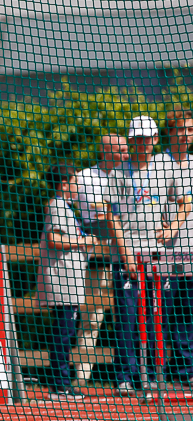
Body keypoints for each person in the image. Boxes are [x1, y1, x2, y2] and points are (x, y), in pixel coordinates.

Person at [107, 116, 190, 396]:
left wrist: (172, 229)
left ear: (155, 139)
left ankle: (154, 375)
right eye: (138, 138)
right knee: (128, 317)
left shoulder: (166, 168)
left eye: (148, 137)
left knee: (158, 317)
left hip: (158, 255)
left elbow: (186, 201)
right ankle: (126, 377)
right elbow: (112, 217)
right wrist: (126, 255)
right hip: (128, 255)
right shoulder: (118, 173)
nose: (143, 143)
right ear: (131, 140)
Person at [36, 165, 100, 400]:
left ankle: (60, 383)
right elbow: (54, 239)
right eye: (74, 182)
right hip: (62, 279)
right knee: (64, 332)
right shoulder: (57, 206)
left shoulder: (65, 207)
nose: (78, 186)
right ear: (64, 184)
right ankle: (60, 385)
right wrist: (83, 241)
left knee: (66, 331)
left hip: (69, 279)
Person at [72, 134, 129, 384]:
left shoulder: (133, 175)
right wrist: (82, 235)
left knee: (129, 316)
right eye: (121, 150)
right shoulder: (84, 177)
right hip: (97, 257)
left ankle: (131, 377)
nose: (127, 153)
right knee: (91, 318)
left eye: (127, 149)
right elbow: (65, 207)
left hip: (129, 256)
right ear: (106, 150)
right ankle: (82, 379)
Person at [156, 108, 193, 387]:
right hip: (163, 252)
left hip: (190, 251)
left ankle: (184, 370)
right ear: (170, 132)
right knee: (161, 314)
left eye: (190, 130)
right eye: (181, 129)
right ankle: (153, 372)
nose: (186, 135)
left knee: (187, 314)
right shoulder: (158, 163)